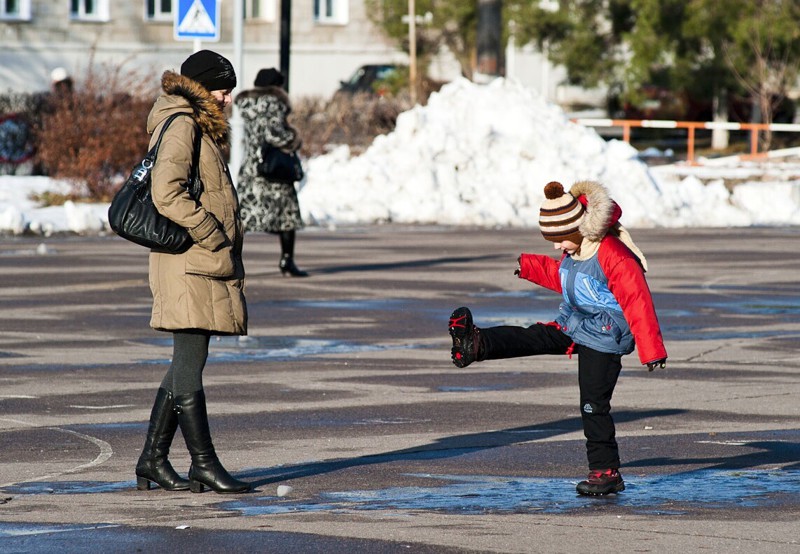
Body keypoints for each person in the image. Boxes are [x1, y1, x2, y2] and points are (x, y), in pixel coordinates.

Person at [448, 180, 667, 496]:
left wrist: (652, 350)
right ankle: (476, 344)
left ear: (578, 230)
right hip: (578, 323)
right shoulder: (577, 250)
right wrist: (530, 266)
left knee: (593, 404)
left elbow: (637, 300)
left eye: (559, 239)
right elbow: (565, 277)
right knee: (534, 336)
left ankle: (605, 472)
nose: (556, 247)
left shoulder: (613, 254)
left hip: (605, 337)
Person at [134, 49, 251, 494]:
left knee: (185, 363)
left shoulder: (193, 122)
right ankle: (204, 463)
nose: (227, 98)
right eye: (223, 89)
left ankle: (152, 459)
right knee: (189, 365)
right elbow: (167, 192)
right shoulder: (183, 124)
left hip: (194, 262)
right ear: (202, 86)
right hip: (190, 260)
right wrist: (210, 231)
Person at [235, 67, 308, 277]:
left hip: (252, 167)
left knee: (246, 215)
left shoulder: (246, 104)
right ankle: (287, 261)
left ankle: (232, 258)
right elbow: (274, 133)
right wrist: (293, 139)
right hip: (274, 168)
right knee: (286, 215)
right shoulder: (274, 103)